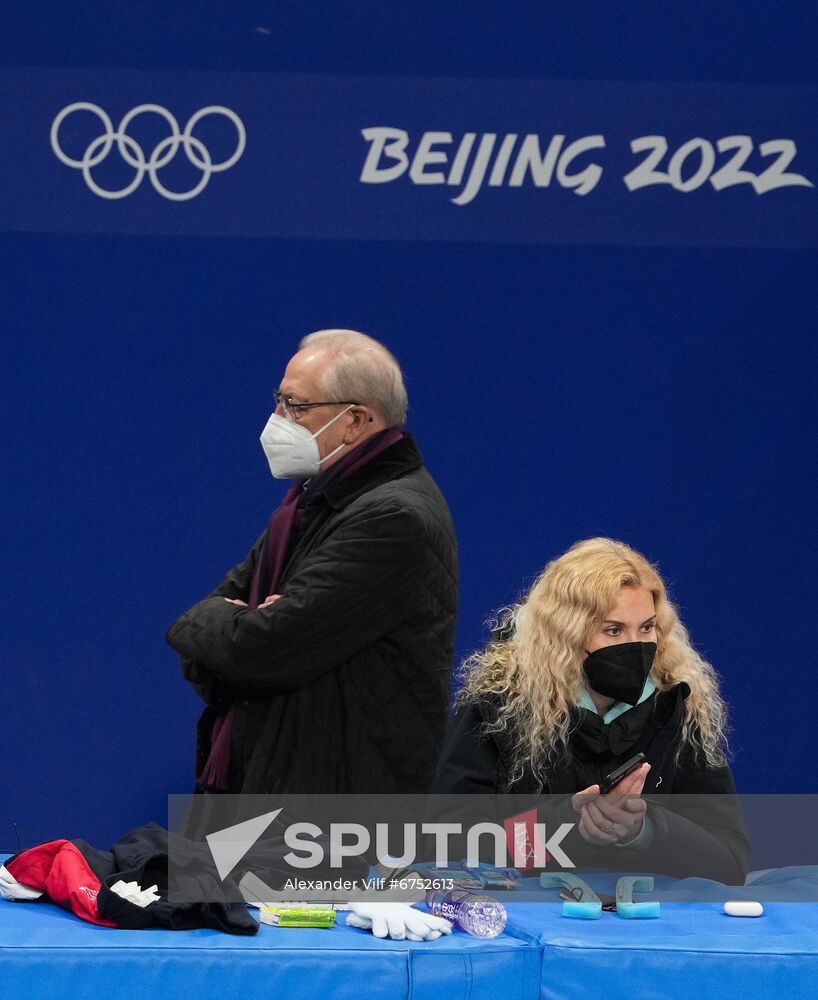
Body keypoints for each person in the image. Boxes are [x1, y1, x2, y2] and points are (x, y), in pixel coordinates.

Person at [166, 329, 458, 799]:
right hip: (271, 779)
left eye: (296, 406)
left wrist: (239, 626)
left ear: (356, 421)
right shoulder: (311, 503)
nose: (276, 418)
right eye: (279, 399)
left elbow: (257, 651)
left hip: (334, 816)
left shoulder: (392, 518)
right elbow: (215, 639)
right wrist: (237, 624)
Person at [431, 537, 750, 883]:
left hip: (644, 924)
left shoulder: (679, 709)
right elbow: (452, 847)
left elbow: (729, 861)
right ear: (566, 634)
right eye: (612, 630)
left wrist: (645, 828)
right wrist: (568, 825)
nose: (635, 646)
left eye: (646, 627)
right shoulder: (497, 707)